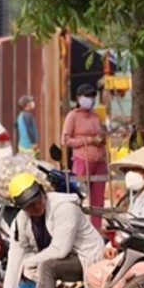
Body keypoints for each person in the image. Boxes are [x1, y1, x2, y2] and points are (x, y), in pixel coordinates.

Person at [3, 172, 105, 288]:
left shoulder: (64, 207)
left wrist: (30, 262)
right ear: (22, 208)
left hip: (86, 257)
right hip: (64, 259)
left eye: (37, 200)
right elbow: (14, 260)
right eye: (29, 205)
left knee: (47, 267)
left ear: (43, 193)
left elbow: (60, 249)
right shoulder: (21, 222)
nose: (35, 206)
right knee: (32, 270)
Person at [86, 148, 144, 288]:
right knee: (93, 273)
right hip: (136, 253)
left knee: (115, 278)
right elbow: (129, 228)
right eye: (127, 171)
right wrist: (111, 245)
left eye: (134, 170)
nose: (130, 174)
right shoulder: (136, 198)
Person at [62, 83, 108, 229]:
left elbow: (102, 136)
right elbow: (65, 140)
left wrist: (102, 139)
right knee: (78, 197)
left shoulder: (96, 117)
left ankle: (96, 230)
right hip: (82, 160)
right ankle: (75, 230)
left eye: (93, 96)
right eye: (87, 96)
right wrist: (89, 140)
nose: (91, 99)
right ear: (78, 98)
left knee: (98, 201)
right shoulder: (72, 116)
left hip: (99, 161)